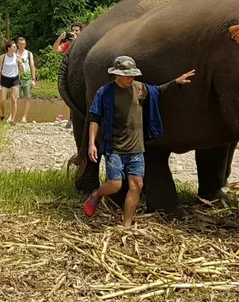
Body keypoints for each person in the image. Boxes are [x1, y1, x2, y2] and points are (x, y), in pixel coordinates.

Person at [82, 56, 195, 227]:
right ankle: (97, 195)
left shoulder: (140, 88)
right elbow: (95, 118)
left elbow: (159, 91)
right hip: (115, 148)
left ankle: (126, 224)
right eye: (128, 76)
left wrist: (176, 82)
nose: (131, 79)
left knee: (137, 185)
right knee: (115, 185)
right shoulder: (105, 92)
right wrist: (92, 143)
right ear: (117, 75)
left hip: (136, 148)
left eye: (133, 75)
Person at [0, 40, 20, 124]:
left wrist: (20, 63)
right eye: (14, 47)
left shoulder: (17, 56)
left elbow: (21, 69)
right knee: (2, 100)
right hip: (5, 79)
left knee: (14, 99)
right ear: (8, 48)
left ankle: (13, 119)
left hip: (15, 79)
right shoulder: (2, 57)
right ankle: (3, 114)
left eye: (15, 47)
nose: (16, 48)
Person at [15, 37, 36, 123]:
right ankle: (13, 116)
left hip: (27, 78)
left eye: (23, 44)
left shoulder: (29, 54)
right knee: (15, 98)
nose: (22, 46)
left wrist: (33, 79)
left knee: (27, 98)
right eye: (20, 44)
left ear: (25, 44)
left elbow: (32, 66)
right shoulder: (14, 53)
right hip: (16, 78)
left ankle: (24, 117)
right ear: (17, 44)